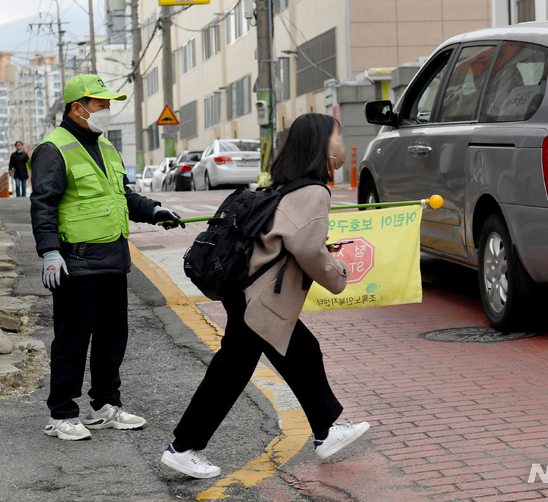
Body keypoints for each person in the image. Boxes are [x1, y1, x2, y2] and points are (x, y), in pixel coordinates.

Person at [161, 113, 369, 479]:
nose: (342, 145)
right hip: (259, 296)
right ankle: (183, 447)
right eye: (338, 138)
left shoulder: (288, 185)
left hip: (246, 290)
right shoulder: (313, 191)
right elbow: (306, 247)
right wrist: (338, 274)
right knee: (233, 369)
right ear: (321, 146)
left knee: (301, 351)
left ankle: (325, 430)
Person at [30, 74, 186, 441]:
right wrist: (50, 251)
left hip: (114, 259)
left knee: (112, 338)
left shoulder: (107, 148)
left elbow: (123, 196)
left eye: (108, 104)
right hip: (76, 261)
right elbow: (43, 205)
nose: (107, 111)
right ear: (77, 108)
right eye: (101, 104)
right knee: (72, 339)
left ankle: (105, 406)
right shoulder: (53, 148)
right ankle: (62, 414)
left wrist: (155, 210)